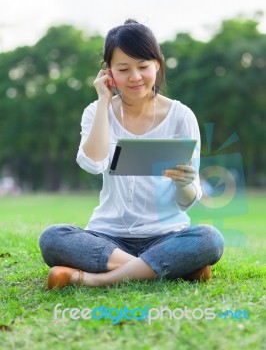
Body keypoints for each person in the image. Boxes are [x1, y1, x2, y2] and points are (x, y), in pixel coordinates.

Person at [39, 19, 224, 289]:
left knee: (210, 239)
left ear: (157, 65)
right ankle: (167, 268)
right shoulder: (95, 112)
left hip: (165, 234)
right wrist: (104, 101)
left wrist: (184, 183)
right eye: (123, 69)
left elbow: (186, 201)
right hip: (108, 237)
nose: (135, 77)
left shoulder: (181, 116)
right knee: (52, 237)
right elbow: (92, 163)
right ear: (109, 72)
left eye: (143, 67)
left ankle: (94, 280)